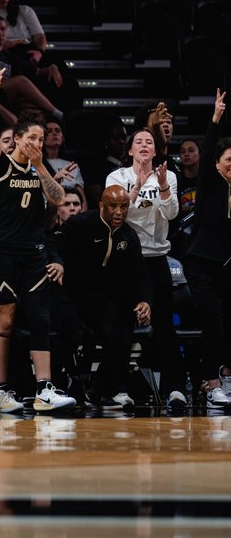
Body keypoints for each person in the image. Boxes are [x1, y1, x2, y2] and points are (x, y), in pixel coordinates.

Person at [0, 68, 75, 414]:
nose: (37, 143)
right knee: (3, 321)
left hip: (33, 252)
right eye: (32, 138)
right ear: (18, 139)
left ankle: (44, 388)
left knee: (41, 319)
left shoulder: (39, 170)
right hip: (1, 253)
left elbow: (57, 197)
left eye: (41, 138)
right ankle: (1, 392)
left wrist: (41, 167)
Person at [106, 126, 188, 415]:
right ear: (130, 150)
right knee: (122, 327)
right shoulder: (117, 177)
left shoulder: (169, 176)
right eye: (138, 142)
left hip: (156, 259)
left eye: (149, 142)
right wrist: (137, 189)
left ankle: (175, 388)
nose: (143, 145)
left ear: (155, 151)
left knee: (165, 326)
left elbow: (172, 213)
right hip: (125, 261)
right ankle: (119, 389)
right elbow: (115, 215)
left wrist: (163, 186)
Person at [54, 185, 152, 409]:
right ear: (101, 206)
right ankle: (56, 384)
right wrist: (56, 263)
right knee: (72, 334)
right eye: (113, 206)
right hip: (70, 294)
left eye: (124, 207)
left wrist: (145, 301)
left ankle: (97, 391)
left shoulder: (128, 235)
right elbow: (54, 245)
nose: (119, 212)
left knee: (122, 336)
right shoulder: (80, 224)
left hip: (102, 299)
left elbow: (140, 274)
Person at [183, 89, 231, 409]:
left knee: (228, 321)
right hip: (201, 261)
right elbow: (210, 147)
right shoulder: (210, 182)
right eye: (230, 160)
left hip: (226, 263)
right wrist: (215, 119)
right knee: (212, 320)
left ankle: (225, 375)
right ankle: (210, 382)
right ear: (217, 164)